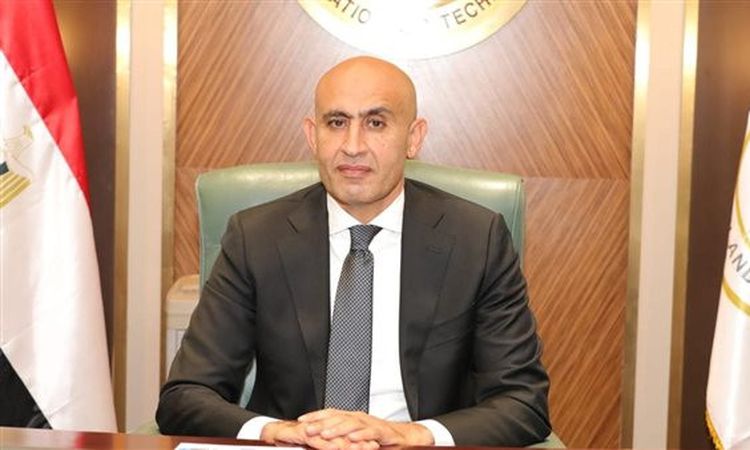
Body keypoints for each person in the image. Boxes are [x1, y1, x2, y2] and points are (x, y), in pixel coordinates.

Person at [156, 56, 550, 448]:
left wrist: (413, 435)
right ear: (313, 135)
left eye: (376, 123)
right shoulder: (255, 238)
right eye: (336, 122)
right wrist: (280, 432)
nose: (353, 146)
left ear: (414, 137)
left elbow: (522, 403)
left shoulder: (476, 240)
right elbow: (185, 395)